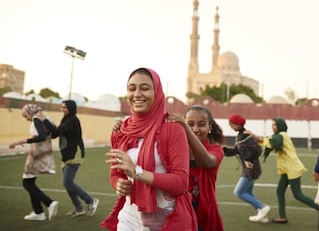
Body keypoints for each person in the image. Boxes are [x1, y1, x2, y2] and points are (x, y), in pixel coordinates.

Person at [100, 67, 197, 231]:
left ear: (157, 92)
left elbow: (180, 183)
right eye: (132, 89)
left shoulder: (172, 129)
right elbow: (115, 174)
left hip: (165, 219)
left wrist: (137, 172)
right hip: (130, 216)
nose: (137, 94)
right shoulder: (123, 130)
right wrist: (119, 184)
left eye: (145, 88)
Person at [246, 117, 319, 224]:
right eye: (272, 125)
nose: (273, 127)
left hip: (292, 168)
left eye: (275, 125)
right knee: (280, 191)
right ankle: (282, 217)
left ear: (280, 126)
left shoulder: (282, 135)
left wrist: (252, 135)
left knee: (298, 195)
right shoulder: (277, 136)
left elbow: (267, 141)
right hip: (287, 169)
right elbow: (266, 140)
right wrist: (253, 138)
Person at [167, 105, 225, 231]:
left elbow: (207, 162)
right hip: (178, 212)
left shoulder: (215, 149)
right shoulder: (174, 149)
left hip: (203, 215)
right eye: (190, 124)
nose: (195, 129)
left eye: (201, 124)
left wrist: (186, 128)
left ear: (210, 127)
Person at [43, 100, 99, 218]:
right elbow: (55, 134)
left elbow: (57, 131)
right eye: (62, 107)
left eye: (65, 107)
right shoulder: (66, 119)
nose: (62, 109)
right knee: (67, 184)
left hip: (75, 154)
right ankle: (79, 208)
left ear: (71, 108)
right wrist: (48, 128)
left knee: (67, 182)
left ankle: (91, 201)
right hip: (67, 155)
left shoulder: (72, 120)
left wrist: (44, 120)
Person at [8, 104, 59, 221]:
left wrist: (21, 141)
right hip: (44, 153)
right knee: (30, 183)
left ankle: (49, 203)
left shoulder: (36, 118)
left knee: (27, 183)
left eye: (25, 116)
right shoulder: (44, 117)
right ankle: (38, 212)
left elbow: (41, 136)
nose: (25, 119)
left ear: (30, 112)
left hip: (36, 154)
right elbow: (55, 133)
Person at [223, 114, 270, 223]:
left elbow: (258, 150)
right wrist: (223, 150)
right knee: (248, 192)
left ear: (238, 124)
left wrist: (248, 159)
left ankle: (262, 207)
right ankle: (261, 213)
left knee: (238, 192)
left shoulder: (247, 136)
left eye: (232, 125)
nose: (231, 127)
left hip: (252, 169)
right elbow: (236, 151)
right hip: (248, 169)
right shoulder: (239, 136)